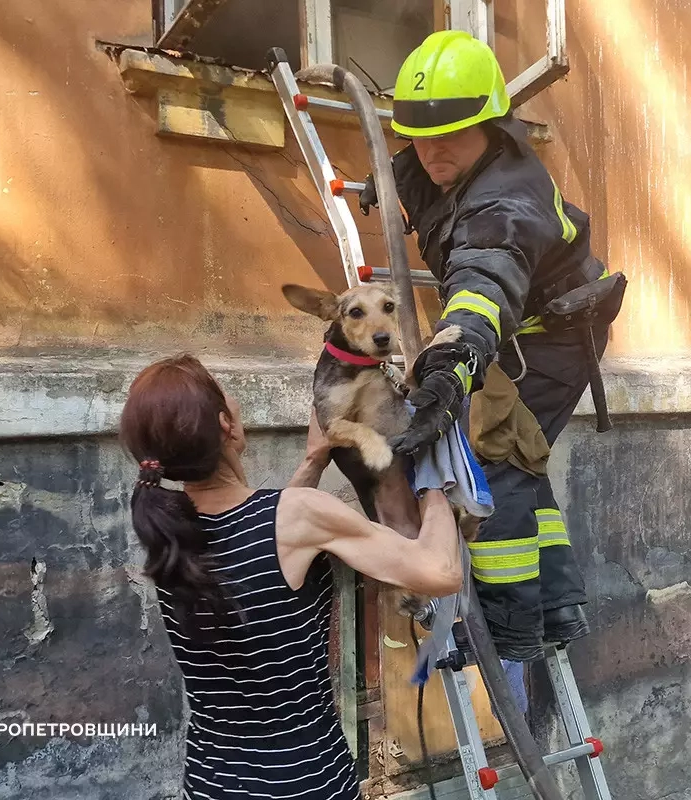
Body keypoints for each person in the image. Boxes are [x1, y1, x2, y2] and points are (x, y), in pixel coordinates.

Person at [360, 29, 614, 663]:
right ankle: (553, 608)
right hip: (527, 332)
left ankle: (506, 628)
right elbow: (421, 161)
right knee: (522, 459)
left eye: (451, 134)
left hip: (546, 339)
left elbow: (484, 280)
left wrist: (452, 363)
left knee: (492, 459)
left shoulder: (505, 201)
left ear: (492, 127)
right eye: (419, 135)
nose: (433, 151)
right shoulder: (435, 159)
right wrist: (384, 179)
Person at [118, 354, 462, 800]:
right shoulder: (296, 517)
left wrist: (314, 460)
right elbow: (441, 571)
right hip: (304, 782)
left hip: (210, 783)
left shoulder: (168, 531)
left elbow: (268, 539)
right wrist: (435, 476)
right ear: (226, 425)